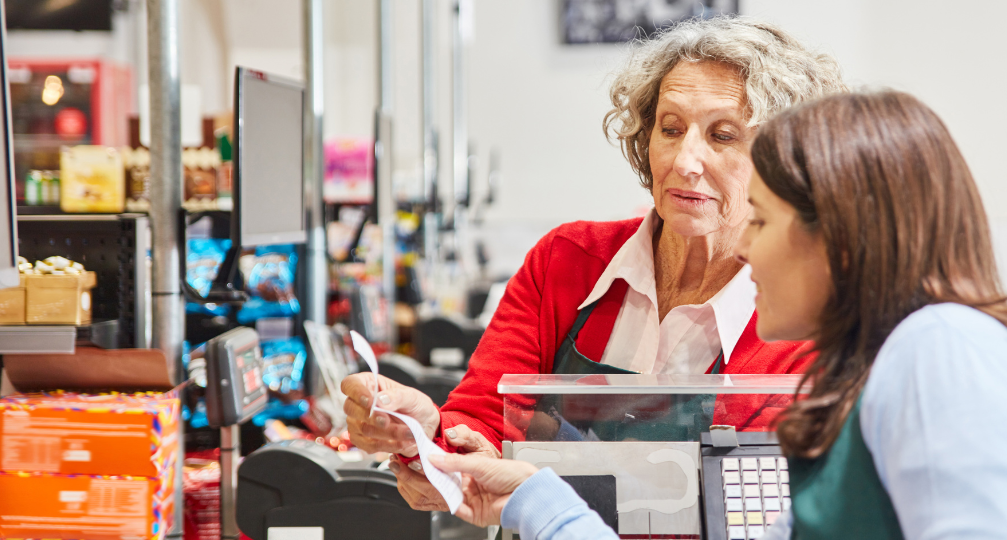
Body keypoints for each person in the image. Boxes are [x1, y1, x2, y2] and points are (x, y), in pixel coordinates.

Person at [428, 91, 1007, 540]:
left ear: (837, 238)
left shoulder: (941, 351)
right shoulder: (883, 371)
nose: (746, 250)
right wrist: (532, 501)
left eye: (761, 221)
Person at [341, 16, 848, 512]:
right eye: (669, 129)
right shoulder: (566, 261)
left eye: (723, 136)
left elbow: (750, 510)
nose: (684, 160)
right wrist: (424, 437)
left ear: (783, 161)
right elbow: (480, 423)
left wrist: (541, 462)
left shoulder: (800, 318)